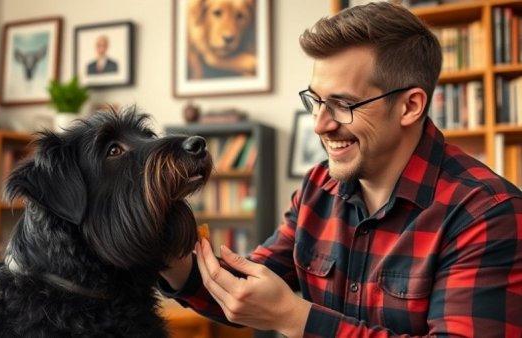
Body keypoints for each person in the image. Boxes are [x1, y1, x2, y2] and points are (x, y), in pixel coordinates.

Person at [159, 2, 522, 337]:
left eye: (343, 104)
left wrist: (295, 318)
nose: (319, 125)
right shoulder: (318, 186)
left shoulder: (488, 213)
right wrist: (168, 258)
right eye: (316, 101)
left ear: (410, 106)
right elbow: (245, 289)